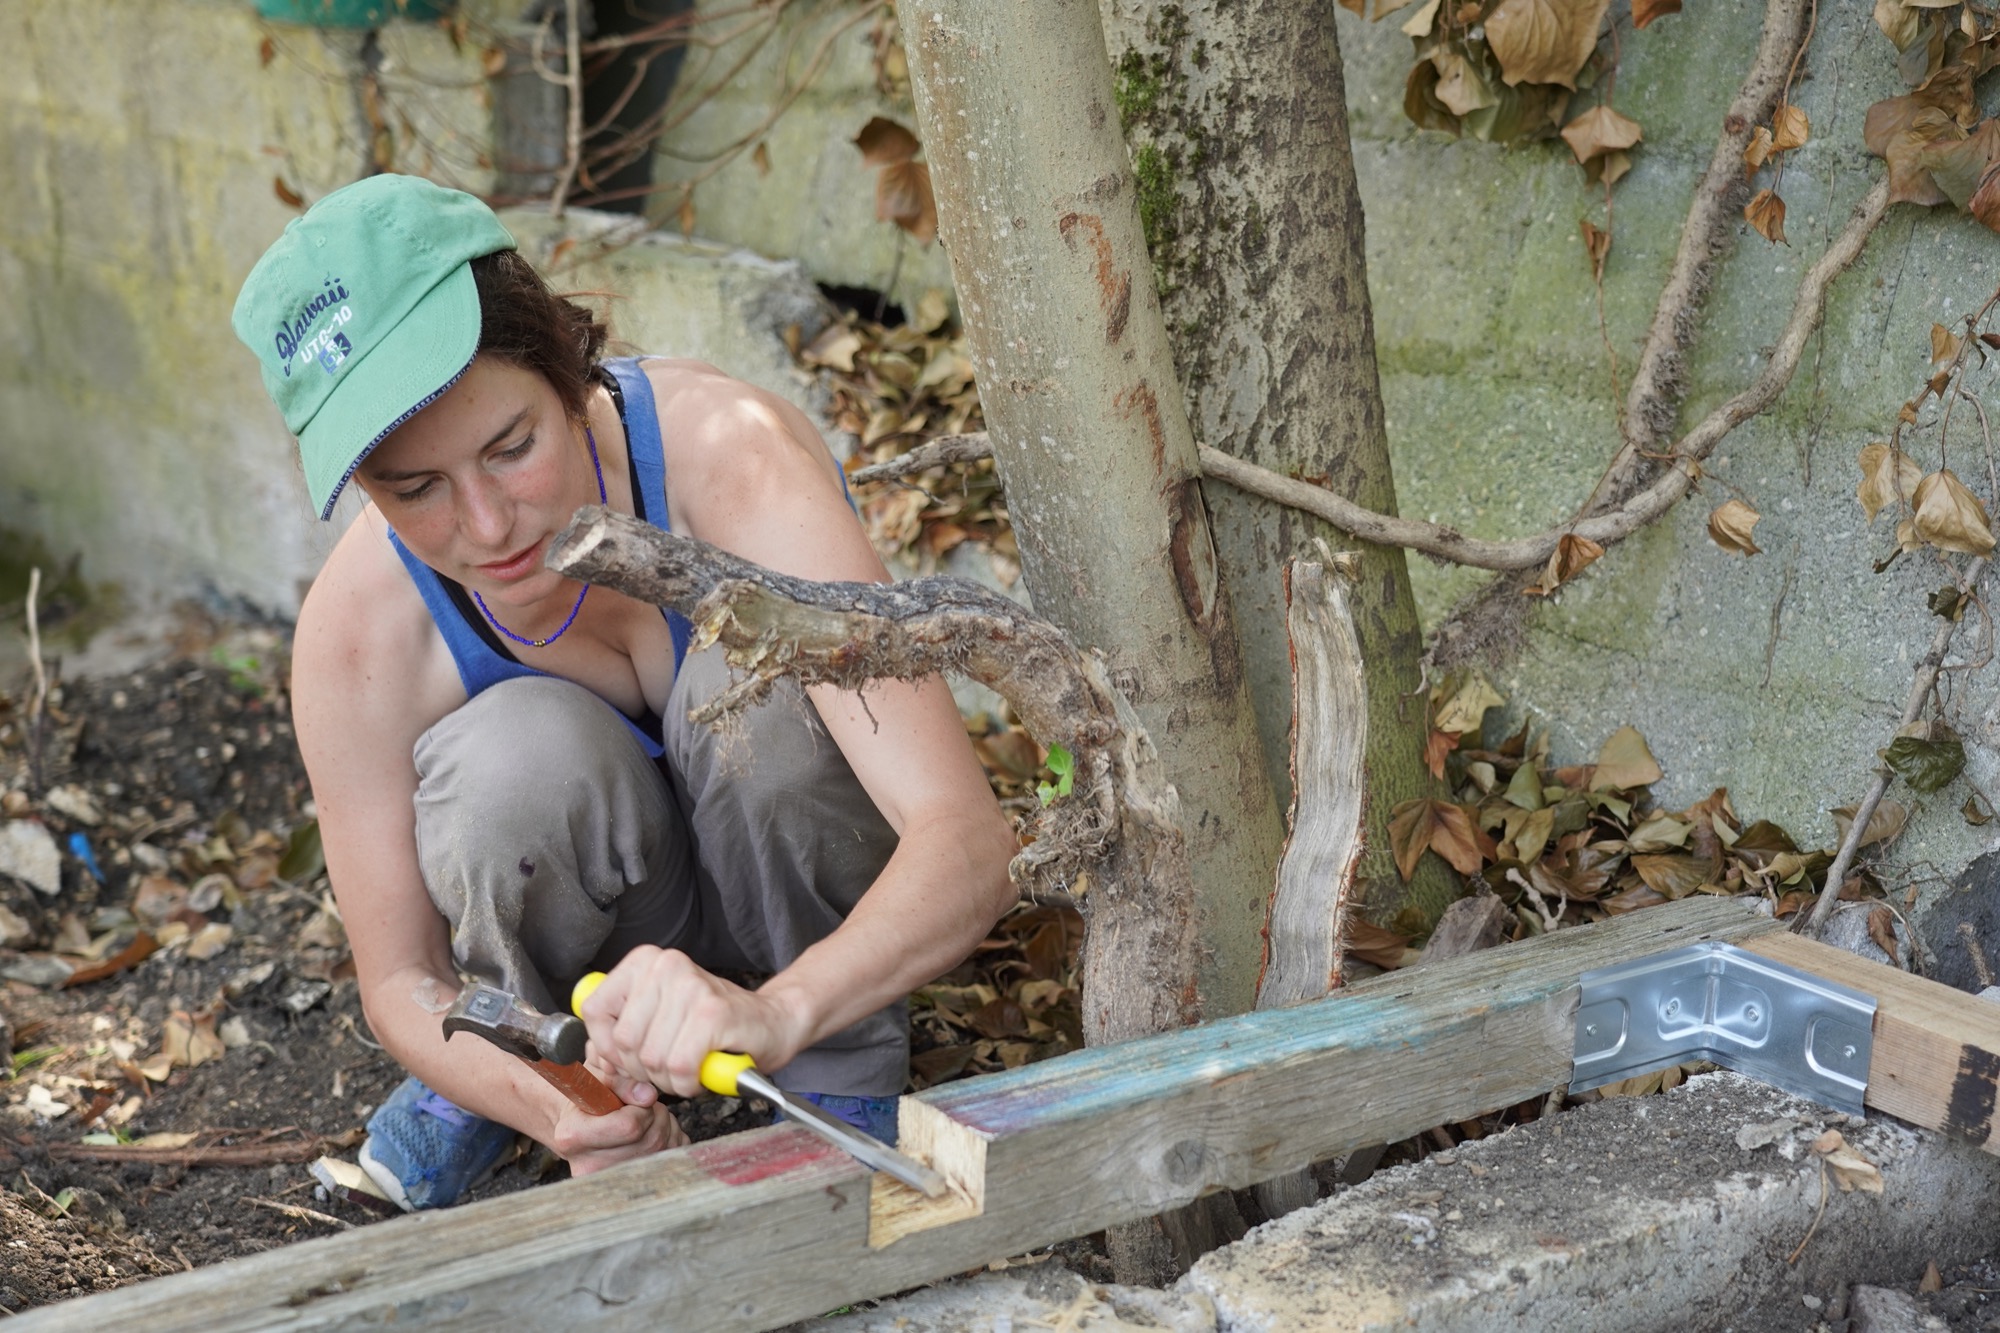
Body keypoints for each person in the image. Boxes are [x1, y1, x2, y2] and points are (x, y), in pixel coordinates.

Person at [231, 174, 1018, 1210]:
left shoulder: (728, 457)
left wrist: (779, 1013)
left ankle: (836, 1066)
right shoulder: (357, 633)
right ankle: (521, 1039)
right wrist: (553, 1107)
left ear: (566, 366)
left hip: (812, 924)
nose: (487, 524)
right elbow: (398, 981)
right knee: (506, 764)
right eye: (414, 489)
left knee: (759, 690)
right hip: (595, 993)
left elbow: (968, 839)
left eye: (512, 447)